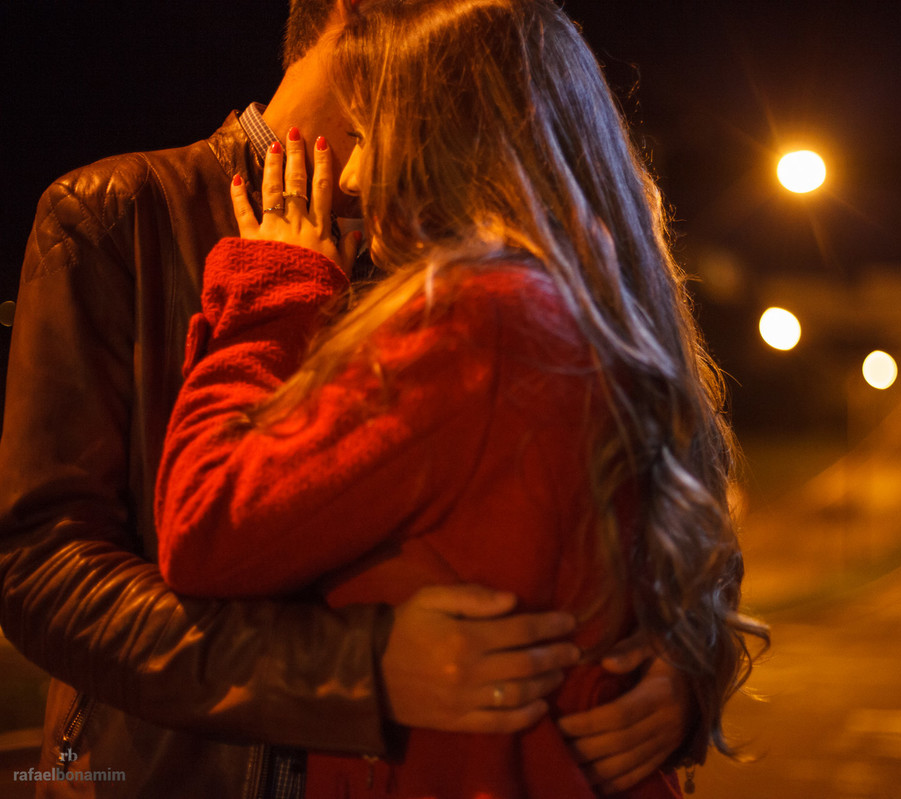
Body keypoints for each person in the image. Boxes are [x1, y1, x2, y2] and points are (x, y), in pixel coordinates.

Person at [0, 1, 692, 796]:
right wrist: (357, 670)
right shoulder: (121, 210)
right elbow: (39, 567)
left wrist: (675, 665)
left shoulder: (467, 247)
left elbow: (655, 496)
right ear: (357, 18)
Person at [154, 0, 768, 796]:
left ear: (447, 140)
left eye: (371, 135)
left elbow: (207, 521)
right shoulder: (595, 306)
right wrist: (691, 661)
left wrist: (271, 295)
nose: (347, 174)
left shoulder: (476, 321)